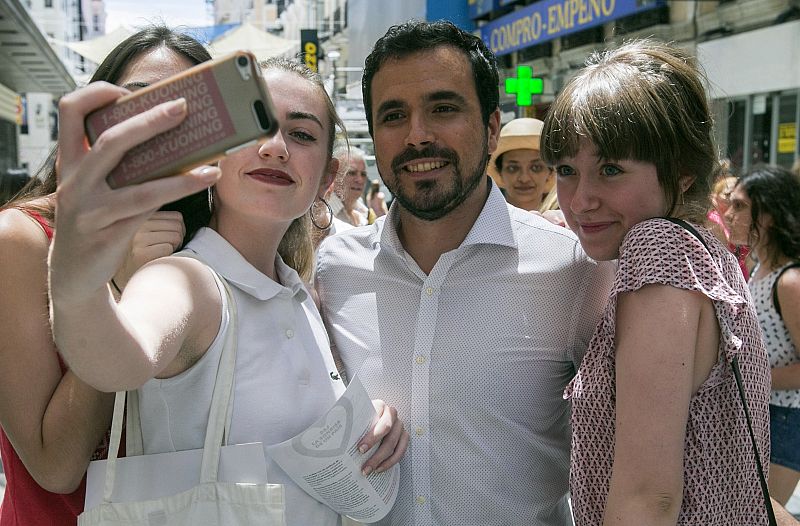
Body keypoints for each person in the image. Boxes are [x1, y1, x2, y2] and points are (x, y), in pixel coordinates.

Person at [47, 57, 408, 526]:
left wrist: (363, 427)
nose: (276, 148)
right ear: (213, 153)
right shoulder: (188, 281)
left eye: (301, 135)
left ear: (326, 176)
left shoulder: (302, 293)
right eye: (255, 127)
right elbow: (116, 358)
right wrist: (77, 277)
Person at [316, 20, 614, 525]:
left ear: (492, 128)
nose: (418, 136)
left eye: (444, 109)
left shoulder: (570, 268)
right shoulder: (334, 270)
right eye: (394, 116)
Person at [541, 39, 772, 524]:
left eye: (610, 170)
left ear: (683, 172)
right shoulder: (705, 251)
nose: (581, 199)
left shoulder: (660, 249)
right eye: (566, 170)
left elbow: (649, 500)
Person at [0, 26, 207, 526]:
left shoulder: (205, 232)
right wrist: (116, 289)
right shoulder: (23, 239)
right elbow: (54, 466)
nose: (153, 126)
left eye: (179, 111)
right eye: (135, 105)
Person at [725, 165, 800, 506]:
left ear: (767, 215)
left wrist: (752, 376)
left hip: (786, 420)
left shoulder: (789, 282)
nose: (728, 213)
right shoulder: (758, 269)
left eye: (739, 206)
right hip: (761, 412)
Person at [487, 117, 555, 212]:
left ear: (550, 173)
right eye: (513, 168)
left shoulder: (566, 224)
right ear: (500, 173)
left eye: (536, 167)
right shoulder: (481, 222)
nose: (524, 179)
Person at [706, 166, 751, 279]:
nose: (731, 199)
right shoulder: (712, 220)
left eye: (739, 204)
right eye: (727, 195)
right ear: (714, 198)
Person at [329, 145, 375, 226]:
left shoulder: (366, 212)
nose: (360, 180)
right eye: (352, 173)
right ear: (334, 176)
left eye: (363, 174)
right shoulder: (322, 212)